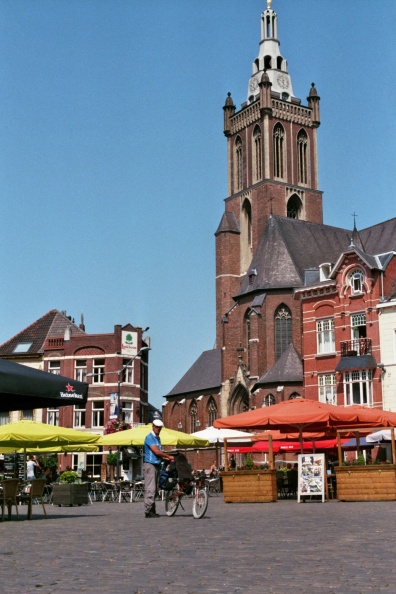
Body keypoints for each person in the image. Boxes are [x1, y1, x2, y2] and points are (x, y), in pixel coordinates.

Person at [143, 419, 174, 518]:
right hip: (150, 465)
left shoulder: (158, 438)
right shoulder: (149, 437)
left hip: (157, 465)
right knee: (150, 489)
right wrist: (168, 456)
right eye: (156, 427)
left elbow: (160, 454)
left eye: (159, 428)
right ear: (153, 426)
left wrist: (166, 458)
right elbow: (157, 452)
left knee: (155, 489)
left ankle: (152, 510)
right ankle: (148, 511)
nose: (158, 429)